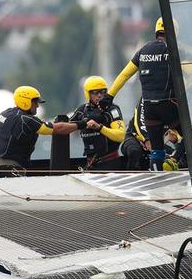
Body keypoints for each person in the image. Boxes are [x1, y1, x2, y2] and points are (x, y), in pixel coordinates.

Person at [107, 17, 180, 170]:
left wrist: (109, 96)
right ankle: (174, 160)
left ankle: (157, 176)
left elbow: (124, 75)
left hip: (149, 109)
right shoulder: (174, 50)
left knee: (157, 150)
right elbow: (190, 70)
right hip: (168, 104)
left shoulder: (143, 50)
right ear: (174, 32)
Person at [0, 86, 79, 170]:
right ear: (25, 101)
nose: (37, 106)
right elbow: (57, 129)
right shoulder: (26, 119)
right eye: (35, 102)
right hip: (12, 167)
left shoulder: (5, 113)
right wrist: (81, 125)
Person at [70, 76, 125, 170]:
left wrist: (100, 128)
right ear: (88, 94)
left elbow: (121, 135)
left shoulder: (112, 109)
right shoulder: (82, 110)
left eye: (103, 91)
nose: (99, 95)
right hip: (91, 163)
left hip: (110, 162)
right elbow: (68, 126)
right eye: (95, 92)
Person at [120, 99, 183, 171]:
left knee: (178, 158)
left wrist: (176, 137)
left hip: (156, 139)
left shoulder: (170, 100)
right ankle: (131, 172)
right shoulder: (145, 100)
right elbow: (140, 123)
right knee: (134, 151)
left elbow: (179, 128)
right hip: (136, 137)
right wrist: (146, 139)